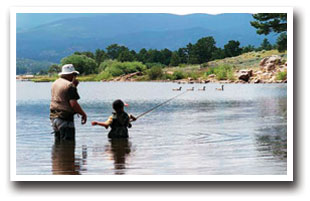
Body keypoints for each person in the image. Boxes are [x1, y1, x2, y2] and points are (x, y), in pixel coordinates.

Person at [50, 64, 87, 141]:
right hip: (65, 119)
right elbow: (73, 104)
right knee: (68, 144)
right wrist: (83, 114)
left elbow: (63, 96)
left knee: (58, 144)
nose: (75, 77)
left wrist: (74, 86)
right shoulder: (70, 86)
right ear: (70, 74)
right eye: (74, 74)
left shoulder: (55, 83)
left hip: (54, 118)